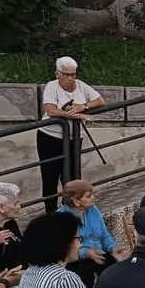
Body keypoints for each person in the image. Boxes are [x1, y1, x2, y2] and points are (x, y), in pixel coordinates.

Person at [37, 56, 105, 213]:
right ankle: (51, 212)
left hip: (74, 137)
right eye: (65, 74)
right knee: (50, 176)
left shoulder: (80, 86)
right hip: (50, 137)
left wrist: (83, 106)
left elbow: (100, 100)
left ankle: (71, 208)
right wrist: (76, 115)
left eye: (73, 75)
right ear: (57, 73)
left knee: (73, 175)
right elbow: (51, 110)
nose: (70, 78)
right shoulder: (52, 86)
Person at [58, 180, 128, 288]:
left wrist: (114, 248)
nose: (93, 198)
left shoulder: (93, 210)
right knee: (84, 277)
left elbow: (104, 235)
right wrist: (85, 253)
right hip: (76, 259)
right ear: (76, 201)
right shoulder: (62, 217)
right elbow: (66, 248)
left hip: (98, 253)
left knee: (117, 275)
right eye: (89, 196)